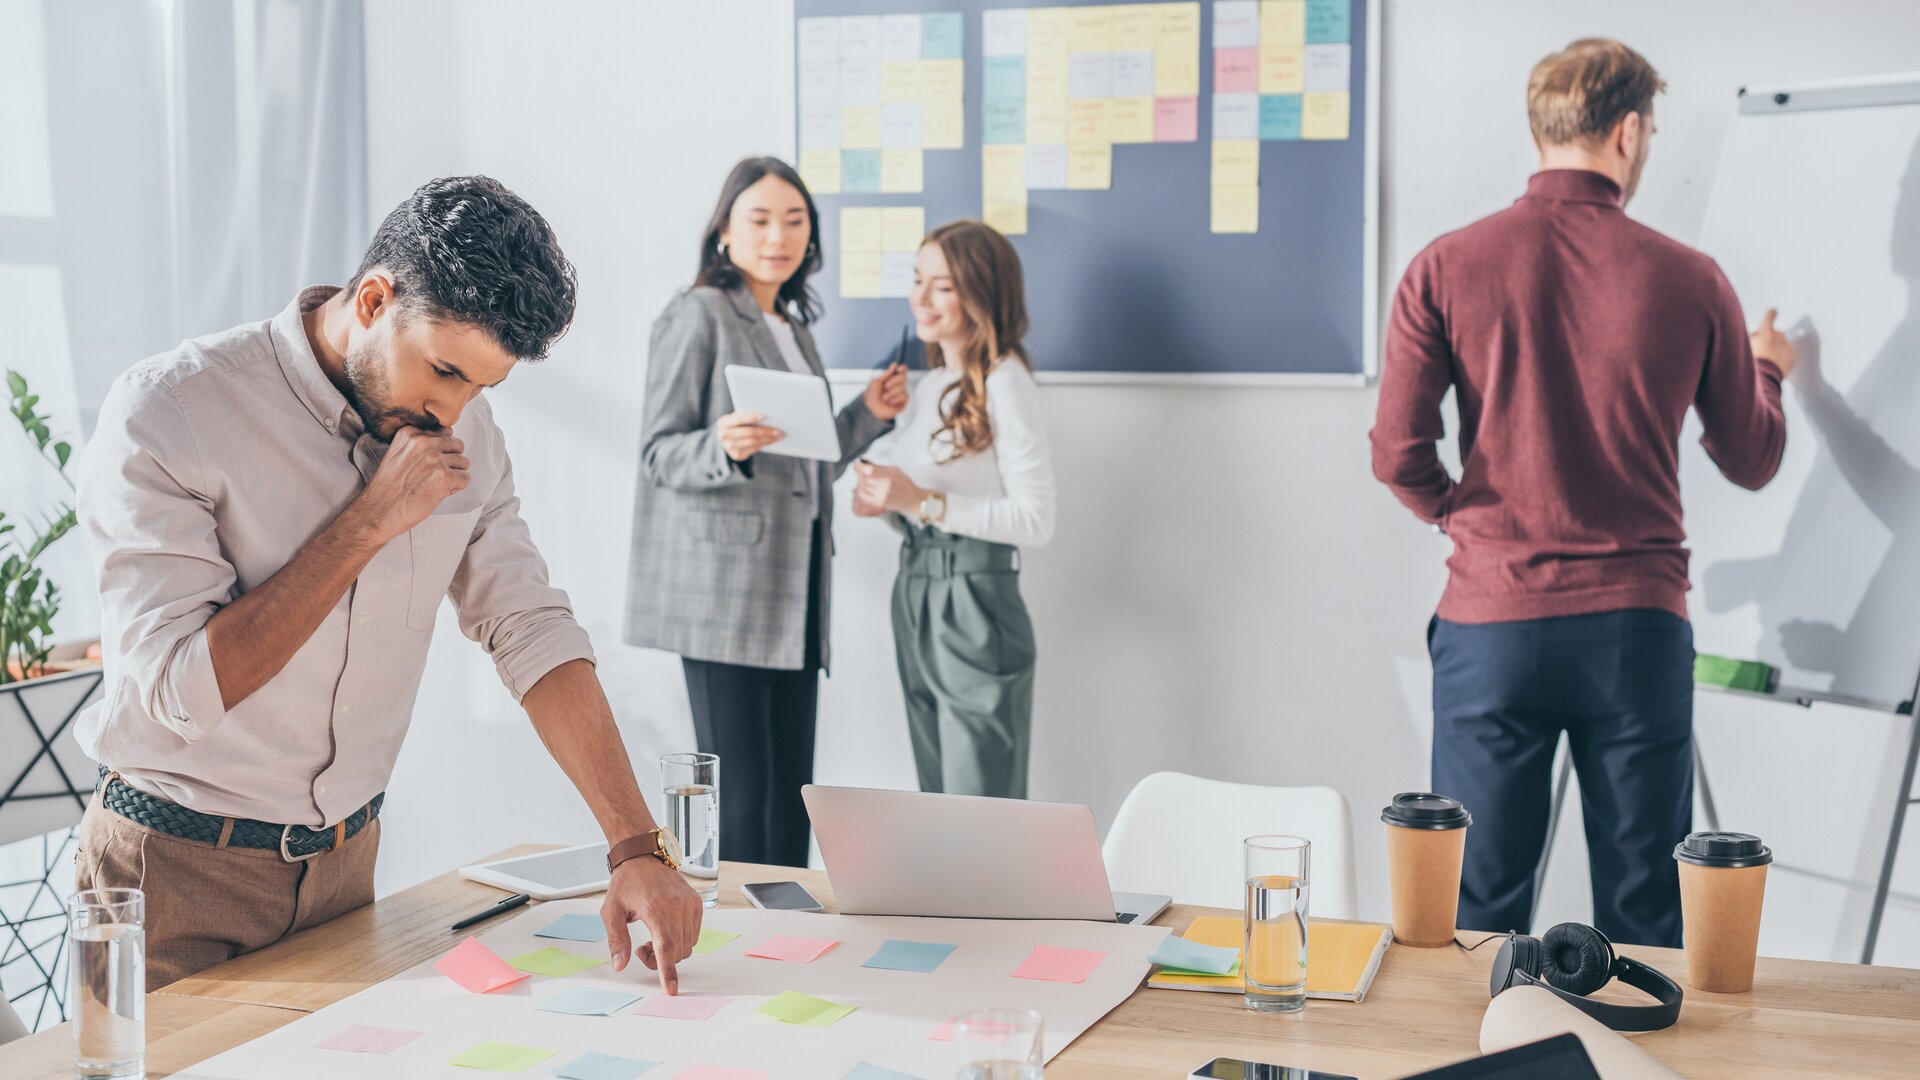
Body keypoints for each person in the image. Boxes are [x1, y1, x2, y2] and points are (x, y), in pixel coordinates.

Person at [74, 176, 701, 991]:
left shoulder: (465, 430)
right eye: (443, 370)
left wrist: (635, 847)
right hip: (175, 875)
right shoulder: (174, 409)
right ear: (373, 299)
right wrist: (369, 522)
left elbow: (528, 625)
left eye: (480, 386)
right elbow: (176, 692)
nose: (454, 410)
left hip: (345, 874)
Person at [1370, 39, 1797, 948]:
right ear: (1629, 133)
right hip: (1636, 635)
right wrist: (1767, 369)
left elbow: (1398, 454)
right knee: (1647, 923)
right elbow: (1753, 455)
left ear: (1542, 130)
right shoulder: (1692, 279)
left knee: (1472, 922)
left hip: (1494, 626)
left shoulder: (1444, 266)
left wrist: (1461, 516)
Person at [625, 157, 908, 866]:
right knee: (743, 800)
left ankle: (788, 927)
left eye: (794, 220)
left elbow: (806, 461)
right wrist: (722, 445)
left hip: (796, 589)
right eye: (759, 219)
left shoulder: (792, 327)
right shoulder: (697, 314)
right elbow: (659, 453)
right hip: (723, 596)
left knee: (791, 796)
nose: (778, 236)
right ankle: (735, 930)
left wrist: (868, 414)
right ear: (724, 229)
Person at [852, 220, 1055, 798]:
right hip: (915, 589)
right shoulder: (932, 386)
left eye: (941, 286)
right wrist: (886, 501)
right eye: (917, 279)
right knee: (938, 799)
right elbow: (917, 501)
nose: (920, 298)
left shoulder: (1006, 382)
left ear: (980, 293)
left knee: (977, 802)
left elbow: (1036, 519)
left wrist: (920, 501)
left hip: (975, 599)